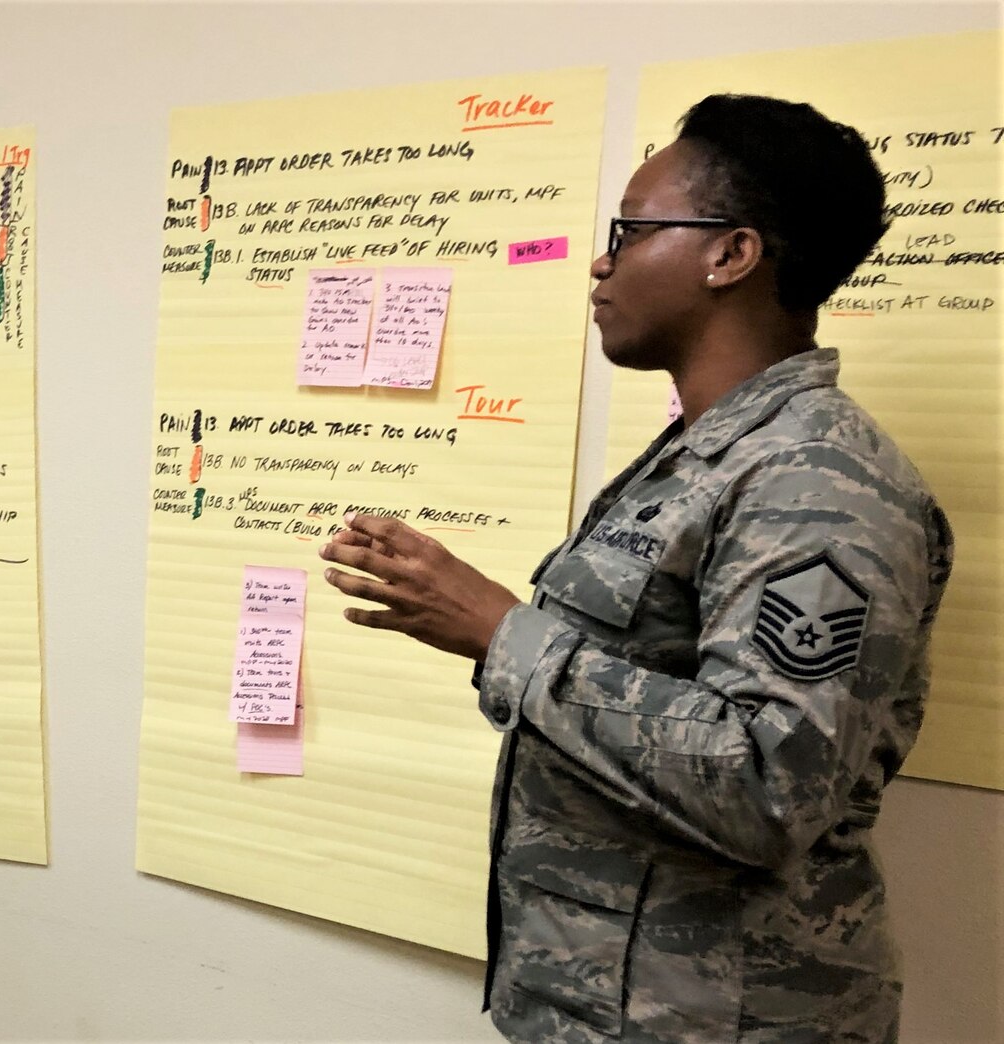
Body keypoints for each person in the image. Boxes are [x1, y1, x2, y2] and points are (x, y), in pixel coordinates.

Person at [320, 95, 953, 1041]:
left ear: (729, 255)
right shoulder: (701, 455)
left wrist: (500, 630)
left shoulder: (822, 481)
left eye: (631, 229)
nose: (602, 260)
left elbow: (768, 784)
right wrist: (478, 628)